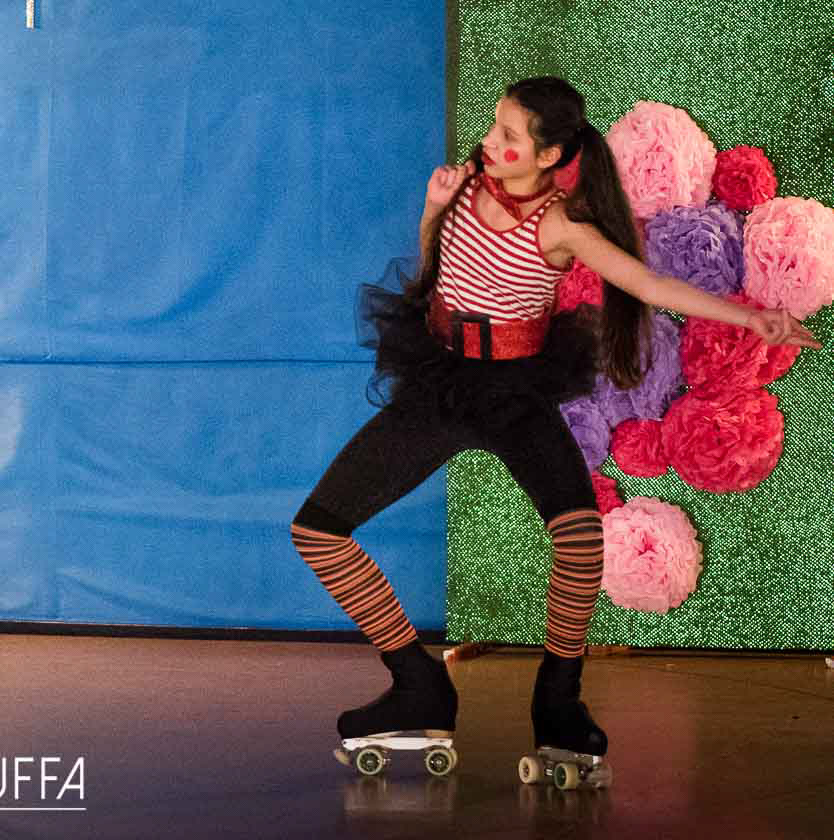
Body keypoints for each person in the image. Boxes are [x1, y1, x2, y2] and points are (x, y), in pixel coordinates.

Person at [290, 76, 817, 783]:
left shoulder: (562, 226)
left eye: (509, 136)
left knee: (579, 536)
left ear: (550, 155)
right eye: (493, 126)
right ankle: (417, 683)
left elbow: (651, 287)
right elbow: (435, 272)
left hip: (514, 392)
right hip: (442, 380)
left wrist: (756, 318)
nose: (489, 142)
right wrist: (433, 209)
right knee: (317, 530)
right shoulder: (465, 185)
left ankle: (558, 699)